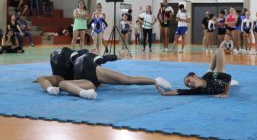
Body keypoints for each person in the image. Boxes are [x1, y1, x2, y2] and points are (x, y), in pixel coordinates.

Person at [37, 48, 172, 100]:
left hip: (83, 78)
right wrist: (117, 56)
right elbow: (103, 58)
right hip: (86, 69)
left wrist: (49, 89)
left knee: (64, 83)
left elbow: (41, 79)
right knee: (127, 80)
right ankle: (155, 81)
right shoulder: (85, 56)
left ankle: (83, 93)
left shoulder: (61, 75)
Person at [158, 48, 233, 98]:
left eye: (188, 81)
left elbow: (228, 77)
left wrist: (226, 93)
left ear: (195, 76)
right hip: (209, 78)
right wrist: (164, 93)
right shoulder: (197, 90)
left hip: (214, 76)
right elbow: (180, 91)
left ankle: (211, 66)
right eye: (188, 85)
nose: (190, 84)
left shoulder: (209, 75)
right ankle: (210, 68)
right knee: (212, 71)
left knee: (219, 51)